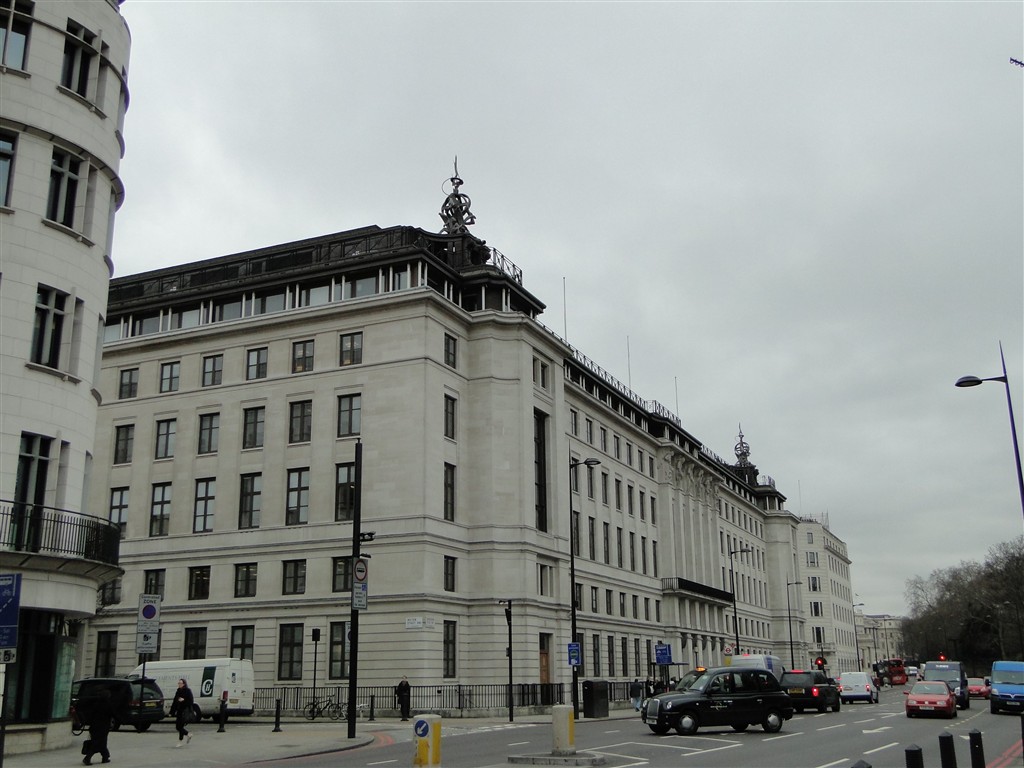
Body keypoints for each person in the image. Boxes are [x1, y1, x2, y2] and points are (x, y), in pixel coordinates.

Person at [81, 689, 113, 765]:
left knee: (99, 742)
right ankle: (88, 758)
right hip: (103, 727)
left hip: (94, 726)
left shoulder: (96, 704)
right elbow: (113, 713)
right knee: (99, 743)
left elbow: (90, 715)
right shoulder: (108, 704)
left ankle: (105, 757)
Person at [169, 678, 195, 747]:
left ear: (184, 684)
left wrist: (184, 700)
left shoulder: (188, 691)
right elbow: (174, 702)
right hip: (179, 711)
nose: (179, 684)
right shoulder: (178, 691)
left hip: (185, 711)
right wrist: (171, 712)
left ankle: (186, 735)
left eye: (180, 683)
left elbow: (191, 701)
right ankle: (184, 738)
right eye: (179, 683)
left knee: (179, 727)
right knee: (179, 727)